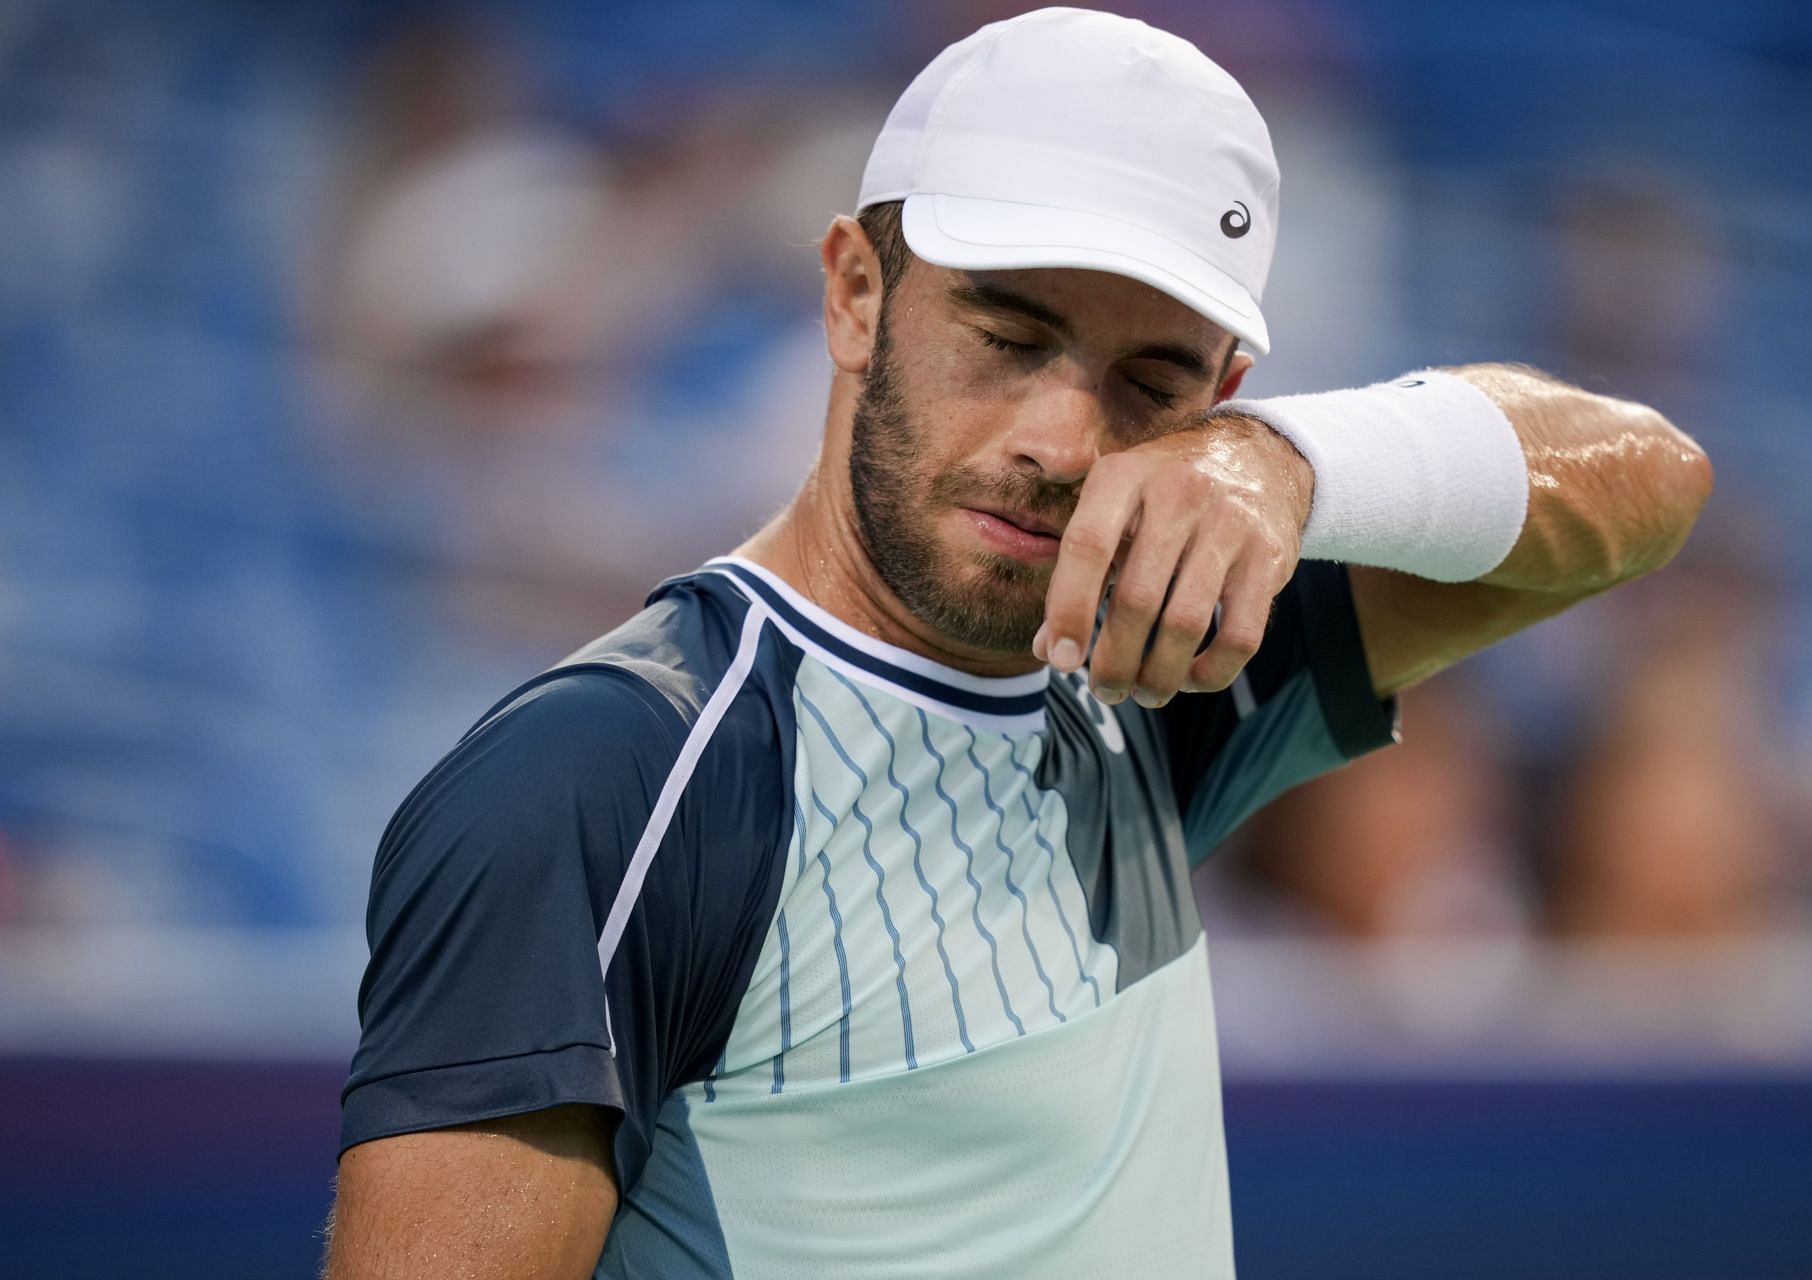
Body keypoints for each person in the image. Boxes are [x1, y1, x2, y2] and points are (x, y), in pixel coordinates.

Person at [325, 9, 1712, 1278]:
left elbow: (1646, 486)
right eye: (1007, 333)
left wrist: (1290, 465)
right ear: (855, 293)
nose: (1062, 440)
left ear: (1222, 396)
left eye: (1149, 381)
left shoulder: (1157, 654)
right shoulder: (600, 780)